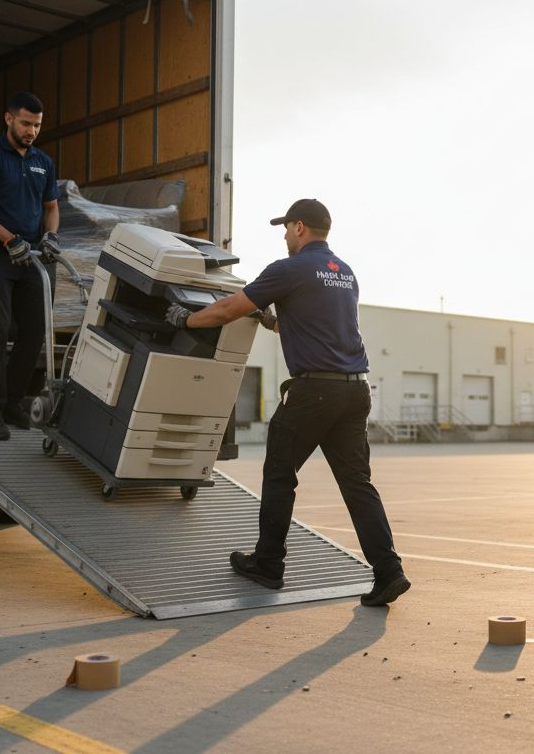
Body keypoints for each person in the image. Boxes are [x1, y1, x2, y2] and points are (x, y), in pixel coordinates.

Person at [164, 198, 410, 607]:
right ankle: (389, 571)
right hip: (354, 391)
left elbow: (226, 310)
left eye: (286, 228)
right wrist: (271, 322)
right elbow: (319, 329)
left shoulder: (290, 268)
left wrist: (184, 319)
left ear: (300, 228)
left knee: (279, 472)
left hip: (314, 392)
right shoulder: (344, 273)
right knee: (357, 484)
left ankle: (268, 564)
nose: (283, 235)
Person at [0, 91, 62, 441]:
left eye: (36, 125)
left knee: (34, 331)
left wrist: (51, 237)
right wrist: (8, 238)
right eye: (25, 123)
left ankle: (13, 404)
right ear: (8, 119)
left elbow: (51, 207)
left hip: (31, 257)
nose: (31, 130)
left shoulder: (43, 163)